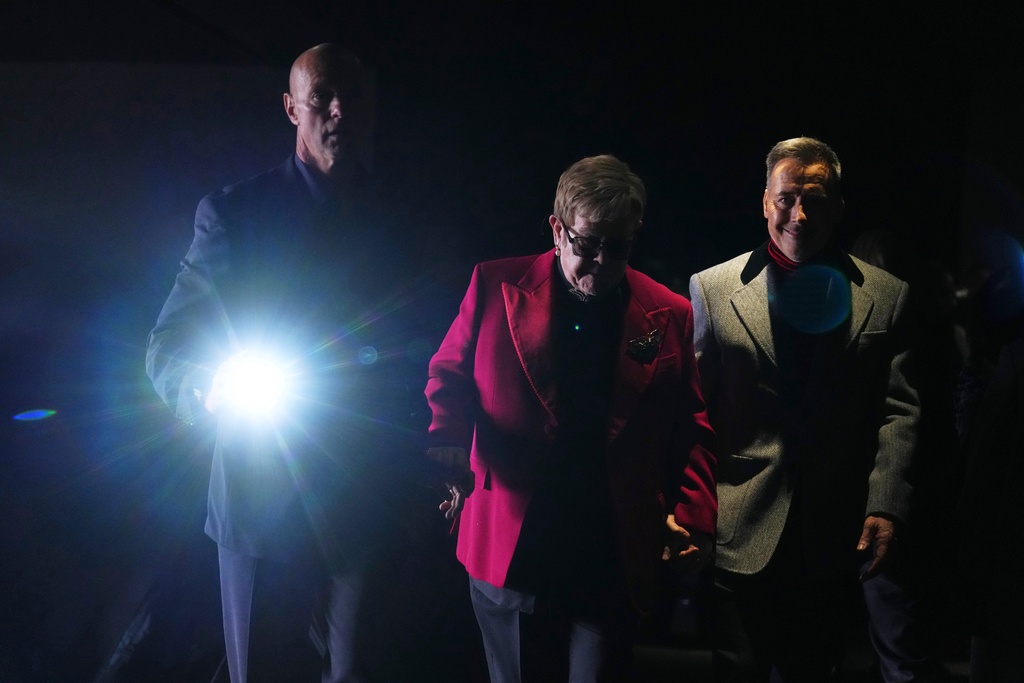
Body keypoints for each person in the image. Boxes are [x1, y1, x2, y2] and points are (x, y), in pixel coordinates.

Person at [146, 44, 422, 682]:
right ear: (290, 106)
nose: (337, 109)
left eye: (352, 95)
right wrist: (210, 388)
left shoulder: (403, 218)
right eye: (321, 94)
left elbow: (430, 341)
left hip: (369, 493)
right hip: (259, 492)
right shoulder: (234, 214)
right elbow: (168, 345)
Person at [424, 154, 718, 682]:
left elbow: (689, 424)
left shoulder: (669, 310)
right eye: (588, 244)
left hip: (613, 545)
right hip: (514, 541)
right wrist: (445, 439)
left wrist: (694, 513)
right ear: (557, 229)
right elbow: (448, 373)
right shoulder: (494, 283)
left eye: (619, 247)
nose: (602, 262)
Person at [688, 137, 919, 682]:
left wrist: (886, 505)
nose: (800, 214)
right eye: (787, 198)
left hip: (834, 536)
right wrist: (690, 511)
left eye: (814, 199)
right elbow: (693, 412)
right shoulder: (712, 290)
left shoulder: (887, 297)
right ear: (765, 202)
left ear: (839, 206)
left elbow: (900, 411)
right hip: (736, 526)